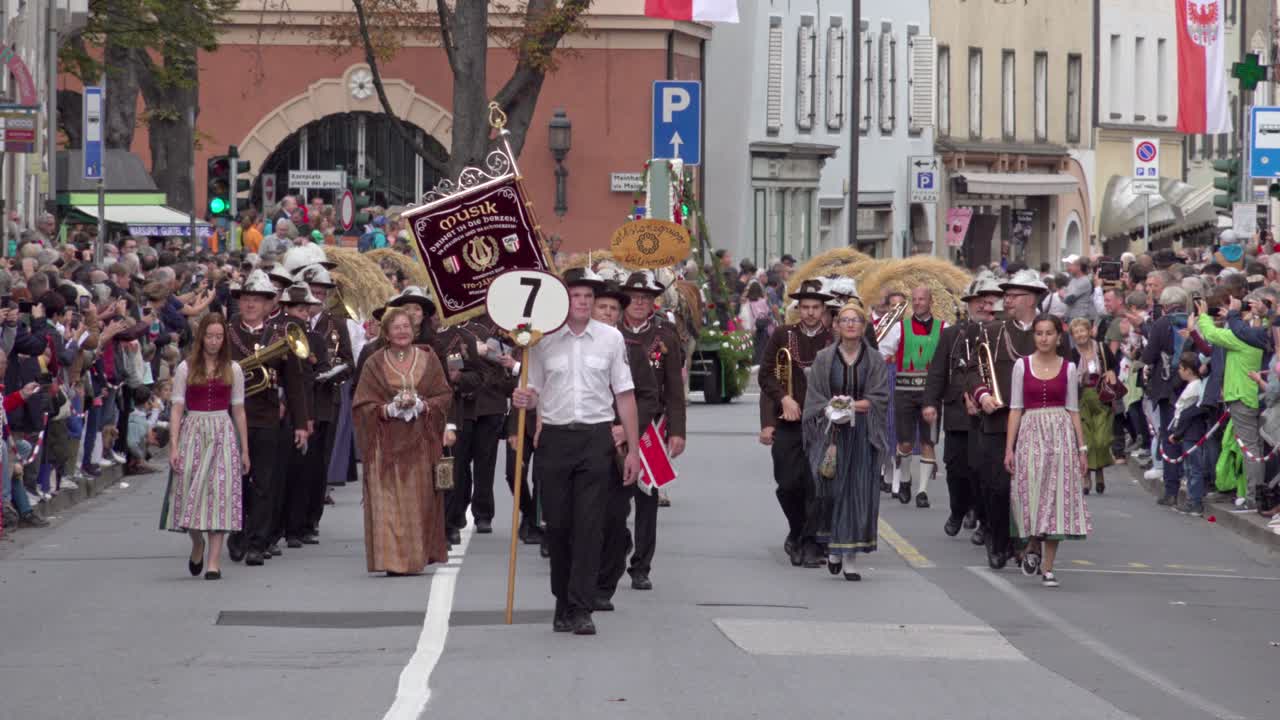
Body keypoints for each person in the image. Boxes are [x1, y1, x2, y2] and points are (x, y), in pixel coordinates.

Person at [511, 267, 644, 636]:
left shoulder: (611, 339)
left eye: (588, 297)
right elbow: (531, 388)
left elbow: (625, 395)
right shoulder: (542, 340)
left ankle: (582, 607)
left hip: (596, 441)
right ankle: (562, 601)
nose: (583, 303)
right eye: (576, 296)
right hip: (554, 440)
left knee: (590, 526)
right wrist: (522, 397)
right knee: (559, 527)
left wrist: (633, 451)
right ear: (563, 301)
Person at [968, 269, 1061, 570]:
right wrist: (982, 395)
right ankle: (998, 541)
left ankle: (1027, 543)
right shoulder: (993, 331)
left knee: (1034, 487)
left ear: (1032, 298)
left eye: (1013, 296)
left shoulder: (1051, 332)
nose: (1006, 301)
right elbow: (973, 370)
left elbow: (1067, 371)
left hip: (1039, 421)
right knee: (996, 487)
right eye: (1006, 296)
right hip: (999, 420)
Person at [602, 270, 686, 595]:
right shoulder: (608, 332)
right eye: (634, 298)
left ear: (654, 303)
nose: (639, 303)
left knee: (647, 498)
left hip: (652, 424)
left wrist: (677, 430)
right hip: (608, 424)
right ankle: (617, 547)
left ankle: (641, 566)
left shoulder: (665, 335)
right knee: (612, 499)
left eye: (646, 298)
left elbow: (675, 389)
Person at [353, 308, 454, 575]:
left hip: (420, 442)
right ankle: (392, 561)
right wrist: (387, 410)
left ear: (414, 330)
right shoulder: (374, 362)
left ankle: (415, 558)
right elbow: (361, 403)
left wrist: (423, 405)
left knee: (418, 501)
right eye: (396, 327)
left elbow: (444, 395)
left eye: (406, 327)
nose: (402, 332)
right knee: (388, 502)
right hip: (385, 445)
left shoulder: (429, 359)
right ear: (386, 333)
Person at [225, 270, 311, 566]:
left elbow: (295, 383)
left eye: (257, 300)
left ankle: (257, 543)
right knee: (237, 481)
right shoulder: (225, 332)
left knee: (265, 482)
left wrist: (301, 423)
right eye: (246, 299)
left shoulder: (279, 335)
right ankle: (238, 534)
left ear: (268, 305)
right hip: (232, 418)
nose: (250, 304)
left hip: (267, 416)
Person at [802, 302, 890, 581]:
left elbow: (879, 398)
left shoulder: (874, 359)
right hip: (831, 433)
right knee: (832, 490)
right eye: (845, 320)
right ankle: (834, 548)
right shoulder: (824, 358)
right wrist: (830, 408)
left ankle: (850, 556)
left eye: (856, 321)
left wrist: (851, 405)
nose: (850, 325)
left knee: (859, 491)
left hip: (863, 433)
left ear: (863, 327)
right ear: (837, 326)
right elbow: (815, 395)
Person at [160, 313, 250, 581]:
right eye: (209, 336)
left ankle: (213, 562)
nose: (214, 341)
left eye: (219, 337)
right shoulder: (186, 368)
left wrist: (245, 449)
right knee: (189, 493)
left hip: (222, 430)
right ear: (202, 338)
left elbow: (239, 410)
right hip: (193, 429)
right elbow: (177, 407)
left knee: (219, 493)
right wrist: (174, 445)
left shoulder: (233, 369)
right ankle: (197, 542)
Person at [1004, 314, 1092, 589]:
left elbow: (1074, 410)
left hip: (1060, 434)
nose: (1043, 338)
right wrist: (1009, 447)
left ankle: (1048, 567)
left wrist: (1081, 449)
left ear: (1058, 336)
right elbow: (1015, 408)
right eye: (1039, 333)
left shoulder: (1068, 368)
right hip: (1030, 432)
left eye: (1048, 333)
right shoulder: (1022, 365)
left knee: (1057, 497)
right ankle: (1032, 543)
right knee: (1030, 493)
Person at [758, 278, 834, 568]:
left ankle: (810, 544)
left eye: (816, 307)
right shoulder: (782, 334)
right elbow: (765, 375)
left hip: (823, 425)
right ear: (798, 308)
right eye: (805, 307)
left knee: (817, 486)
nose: (811, 313)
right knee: (788, 484)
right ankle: (797, 530)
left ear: (823, 308)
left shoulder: (833, 338)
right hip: (788, 422)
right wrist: (784, 400)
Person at [924, 274, 1002, 541]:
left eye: (989, 301)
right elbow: (937, 372)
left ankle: (984, 521)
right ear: (968, 304)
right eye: (977, 301)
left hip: (991, 415)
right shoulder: (952, 334)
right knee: (956, 469)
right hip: (958, 413)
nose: (983, 306)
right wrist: (930, 403)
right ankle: (958, 510)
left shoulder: (1004, 333)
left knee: (984, 471)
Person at [877, 286, 946, 508]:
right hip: (904, 391)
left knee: (928, 441)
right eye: (914, 300)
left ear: (930, 301)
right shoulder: (899, 328)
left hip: (931, 392)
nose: (917, 303)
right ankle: (905, 479)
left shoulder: (944, 328)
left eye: (922, 299)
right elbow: (881, 352)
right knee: (905, 442)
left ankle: (922, 491)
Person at [1069, 317, 1117, 495]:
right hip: (1080, 398)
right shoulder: (1072, 354)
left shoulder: (1102, 348)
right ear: (1073, 336)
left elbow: (1114, 366)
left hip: (1101, 396)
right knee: (1087, 440)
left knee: (1101, 439)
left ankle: (1100, 470)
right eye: (1076, 332)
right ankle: (1087, 476)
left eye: (1083, 330)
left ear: (1089, 331)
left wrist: (1111, 373)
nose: (1080, 335)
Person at [1168, 354, 1210, 516]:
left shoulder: (1194, 387)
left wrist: (1177, 434)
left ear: (1188, 370)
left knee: (1194, 468)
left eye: (1180, 368)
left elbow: (1186, 414)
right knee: (1190, 468)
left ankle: (1195, 502)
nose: (1179, 371)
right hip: (1189, 433)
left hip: (1191, 433)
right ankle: (1192, 500)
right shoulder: (1195, 385)